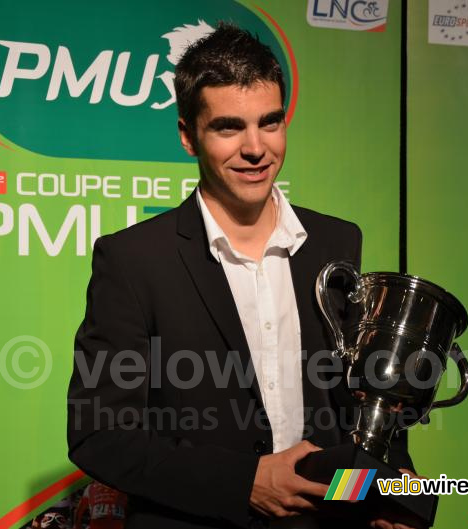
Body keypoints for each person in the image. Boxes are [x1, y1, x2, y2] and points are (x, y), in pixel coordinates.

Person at [66, 23, 415, 529]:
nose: (256, 148)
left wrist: (393, 487)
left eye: (270, 123)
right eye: (229, 127)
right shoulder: (133, 259)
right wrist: (242, 482)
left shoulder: (337, 243)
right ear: (188, 136)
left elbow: (362, 397)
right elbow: (99, 434)